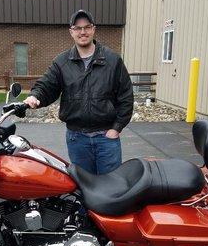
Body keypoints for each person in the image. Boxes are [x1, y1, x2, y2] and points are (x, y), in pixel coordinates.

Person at [24, 9, 134, 175]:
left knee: (111, 190)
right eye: (78, 28)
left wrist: (116, 129)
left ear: (93, 29)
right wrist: (35, 96)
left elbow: (126, 97)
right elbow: (46, 85)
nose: (83, 32)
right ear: (71, 32)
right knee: (83, 190)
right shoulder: (62, 62)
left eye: (87, 27)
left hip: (106, 139)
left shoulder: (112, 60)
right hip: (77, 139)